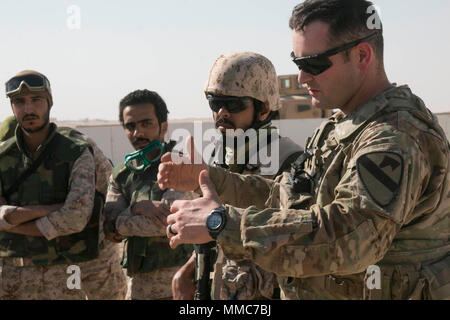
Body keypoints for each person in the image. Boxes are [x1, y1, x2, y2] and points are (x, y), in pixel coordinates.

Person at [158, 0, 450, 300]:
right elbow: (287, 198)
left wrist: (222, 223)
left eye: (313, 64)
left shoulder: (395, 136)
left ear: (362, 55)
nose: (302, 78)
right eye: (298, 63)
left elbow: (350, 236)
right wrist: (210, 179)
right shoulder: (342, 127)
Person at [171, 52, 303, 300]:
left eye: (234, 105)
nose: (222, 113)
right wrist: (188, 271)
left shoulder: (290, 159)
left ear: (263, 108)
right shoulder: (218, 155)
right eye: (214, 103)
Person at [0, 70, 127, 299]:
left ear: (49, 102)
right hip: (20, 271)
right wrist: (51, 210)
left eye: (36, 100)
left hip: (77, 260)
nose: (28, 109)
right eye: (19, 102)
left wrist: (13, 223)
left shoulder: (75, 151)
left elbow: (76, 217)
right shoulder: (3, 156)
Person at [103, 89, 195, 300]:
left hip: (179, 287)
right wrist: (137, 208)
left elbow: (166, 224)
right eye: (131, 126)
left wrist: (123, 220)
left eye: (146, 124)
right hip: (137, 289)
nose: (137, 133)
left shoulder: (179, 165)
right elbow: (109, 229)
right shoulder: (122, 174)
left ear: (163, 127)